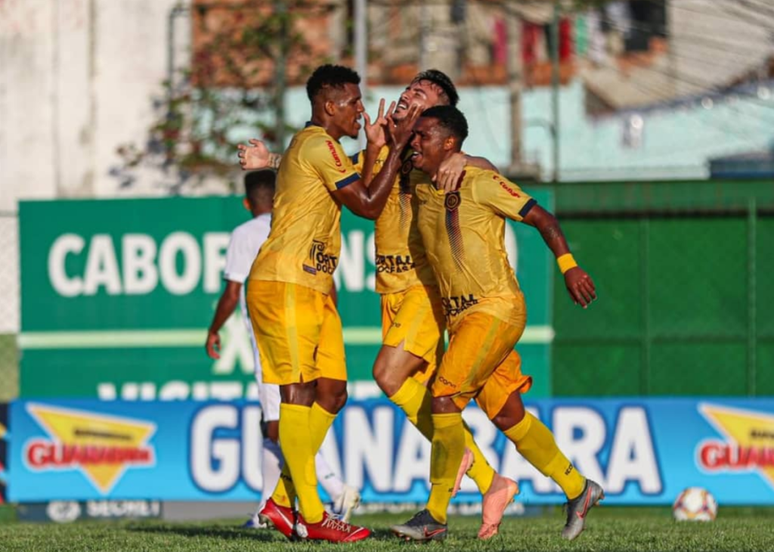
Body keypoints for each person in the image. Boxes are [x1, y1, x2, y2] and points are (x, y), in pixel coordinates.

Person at [238, 70, 520, 540]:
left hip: (420, 289)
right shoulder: (381, 143)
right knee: (333, 392)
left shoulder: (432, 154)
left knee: (386, 377)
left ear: (442, 125)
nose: (408, 96)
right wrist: (274, 158)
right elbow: (326, 163)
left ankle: (462, 462)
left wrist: (461, 155)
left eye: (423, 97)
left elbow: (375, 192)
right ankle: (482, 474)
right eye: (410, 89)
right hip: (352, 286)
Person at [390, 105, 603, 542]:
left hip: (495, 308)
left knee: (444, 401)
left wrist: (569, 266)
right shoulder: (417, 180)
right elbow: (365, 172)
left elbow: (542, 217)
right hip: (461, 318)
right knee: (507, 414)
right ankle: (578, 488)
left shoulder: (478, 180)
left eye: (424, 135)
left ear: (449, 143)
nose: (415, 142)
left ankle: (434, 514)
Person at [245, 64, 420, 543]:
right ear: (328, 106)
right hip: (284, 283)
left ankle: (281, 504)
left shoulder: (322, 148)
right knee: (298, 395)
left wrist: (380, 146)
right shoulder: (318, 144)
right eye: (354, 103)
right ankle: (313, 515)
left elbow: (357, 177)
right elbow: (367, 203)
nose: (361, 110)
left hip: (314, 287)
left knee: (332, 393)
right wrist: (396, 147)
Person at [204, 169, 361, 528]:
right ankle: (270, 506)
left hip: (273, 334)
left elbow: (233, 292)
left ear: (247, 203)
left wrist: (214, 330)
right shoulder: (297, 223)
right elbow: (326, 283)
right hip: (313, 323)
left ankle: (331, 489)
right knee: (281, 419)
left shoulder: (246, 234)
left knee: (277, 423)